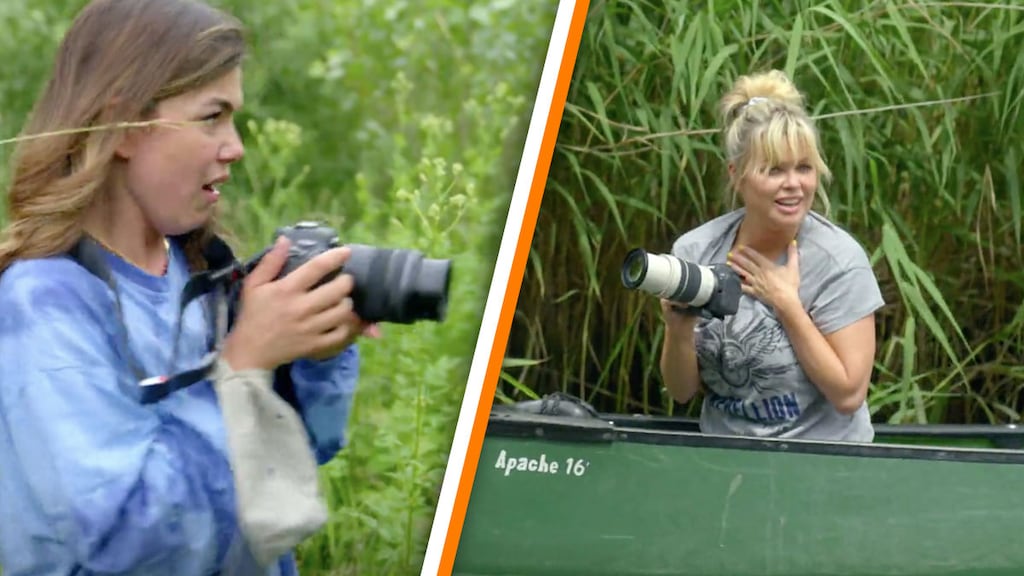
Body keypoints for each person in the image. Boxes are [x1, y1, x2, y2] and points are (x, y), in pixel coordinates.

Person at [0, 0, 376, 574]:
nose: (236, 146)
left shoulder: (200, 270)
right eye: (211, 116)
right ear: (123, 126)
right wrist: (242, 365)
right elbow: (128, 542)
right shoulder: (44, 304)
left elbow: (298, 456)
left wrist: (311, 356)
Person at [658, 69, 884, 443]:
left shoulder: (840, 261)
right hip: (728, 461)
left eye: (804, 168)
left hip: (824, 464)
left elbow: (848, 394)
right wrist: (678, 333)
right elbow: (681, 392)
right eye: (774, 170)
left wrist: (786, 304)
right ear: (738, 176)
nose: (794, 185)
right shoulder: (695, 251)